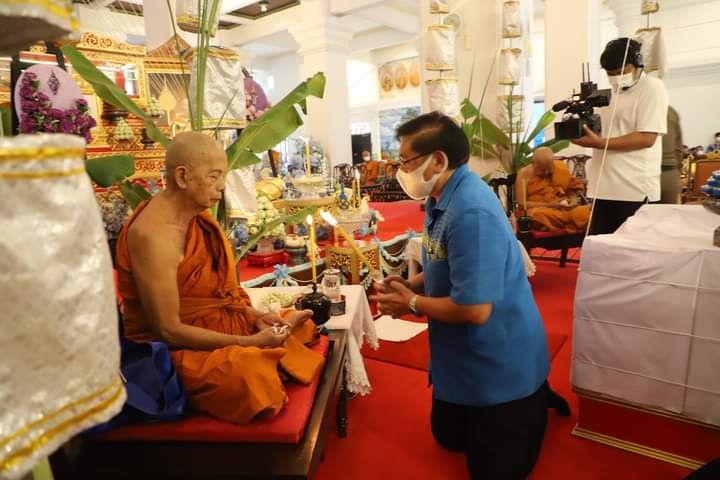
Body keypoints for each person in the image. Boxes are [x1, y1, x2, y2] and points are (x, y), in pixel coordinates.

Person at [371, 112, 550, 479]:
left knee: (492, 471)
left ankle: (531, 399)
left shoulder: (472, 212)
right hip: (459, 354)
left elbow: (476, 310)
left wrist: (410, 304)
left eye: (406, 161)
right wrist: (410, 285)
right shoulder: (441, 196)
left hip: (499, 357)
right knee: (448, 437)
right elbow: (443, 261)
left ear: (437, 161)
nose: (400, 171)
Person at [115, 132, 324, 424]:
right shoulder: (154, 235)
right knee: (249, 376)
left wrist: (256, 317)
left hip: (214, 325)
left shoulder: (196, 217)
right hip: (173, 350)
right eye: (214, 176)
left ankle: (271, 346)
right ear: (183, 176)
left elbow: (216, 297)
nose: (222, 186)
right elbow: (168, 330)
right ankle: (267, 356)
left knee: (294, 328)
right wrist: (248, 342)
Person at [573, 37, 669, 234]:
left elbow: (647, 138)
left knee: (631, 249)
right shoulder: (610, 94)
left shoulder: (652, 87)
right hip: (603, 187)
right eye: (611, 74)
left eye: (621, 72)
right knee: (601, 248)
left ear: (637, 63)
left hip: (633, 188)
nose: (616, 77)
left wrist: (599, 143)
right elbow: (602, 132)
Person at [515, 146, 590, 233]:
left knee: (589, 212)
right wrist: (551, 205)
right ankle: (573, 217)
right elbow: (522, 204)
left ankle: (556, 222)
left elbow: (571, 188)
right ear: (533, 163)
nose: (547, 172)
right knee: (536, 216)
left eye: (549, 169)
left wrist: (572, 201)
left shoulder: (560, 167)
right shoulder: (524, 174)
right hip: (539, 210)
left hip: (561, 208)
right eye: (543, 170)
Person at [661, 106, 684, 204]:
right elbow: (678, 149)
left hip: (641, 175)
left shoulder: (636, 107)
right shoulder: (670, 111)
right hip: (669, 173)